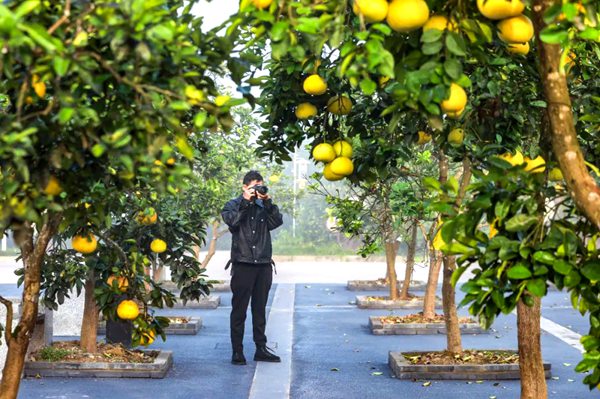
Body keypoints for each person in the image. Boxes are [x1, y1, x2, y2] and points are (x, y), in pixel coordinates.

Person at [221, 170, 284, 365]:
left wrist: (267, 201)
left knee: (259, 310)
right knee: (239, 310)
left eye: (260, 186)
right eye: (253, 187)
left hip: (263, 265)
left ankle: (261, 349)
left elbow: (277, 221)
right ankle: (237, 352)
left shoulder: (263, 206)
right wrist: (246, 202)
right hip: (243, 264)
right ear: (244, 187)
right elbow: (232, 222)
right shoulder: (232, 205)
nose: (257, 190)